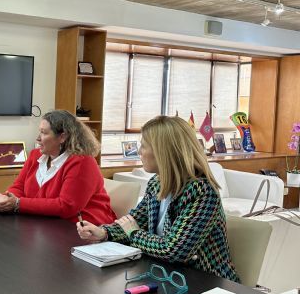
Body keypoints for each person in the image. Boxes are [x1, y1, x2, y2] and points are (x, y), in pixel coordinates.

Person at [77, 115, 239, 281]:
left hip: (205, 282)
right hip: (168, 275)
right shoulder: (157, 182)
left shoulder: (202, 192)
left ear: (165, 152)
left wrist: (134, 234)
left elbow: (174, 251)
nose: (139, 151)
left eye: (144, 146)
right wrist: (103, 233)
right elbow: (135, 221)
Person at [0, 110, 116, 223]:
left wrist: (17, 204)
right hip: (45, 224)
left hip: (85, 229)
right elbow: (19, 187)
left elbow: (66, 206)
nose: (38, 138)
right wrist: (6, 199)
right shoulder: (35, 155)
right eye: (39, 132)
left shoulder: (83, 162)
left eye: (44, 133)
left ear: (62, 137)